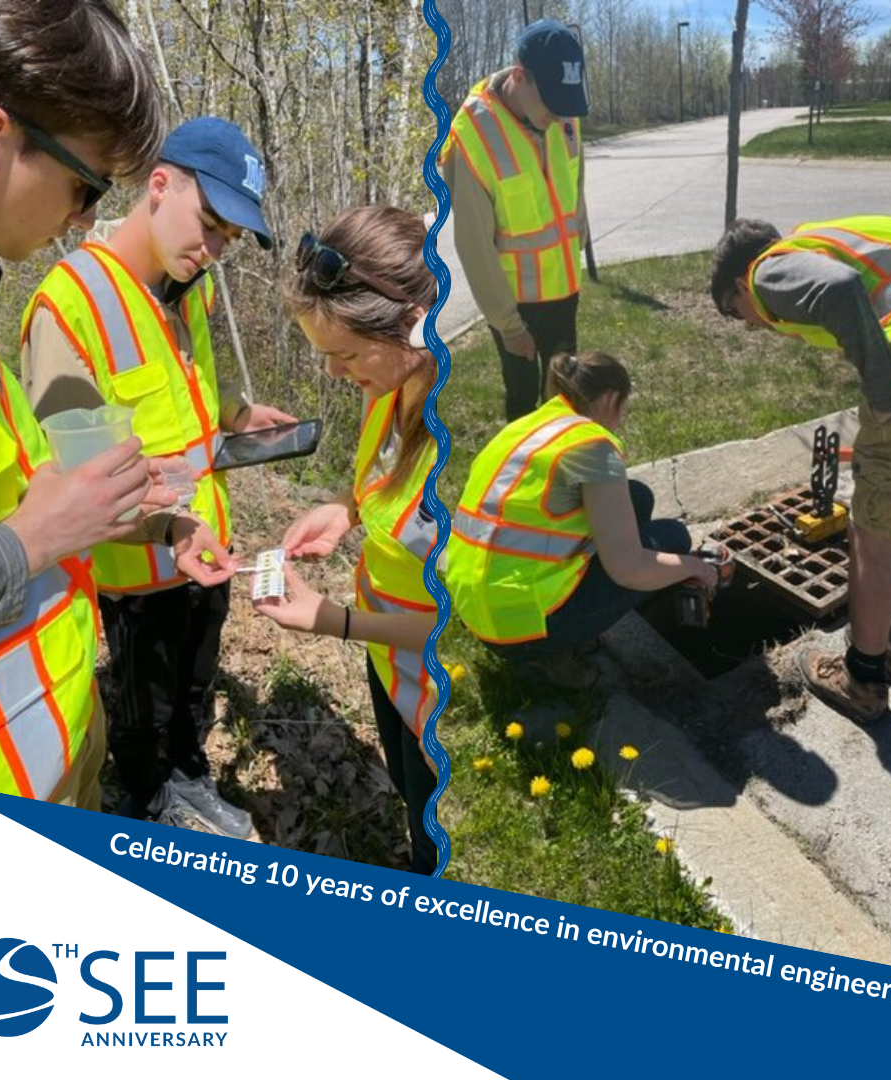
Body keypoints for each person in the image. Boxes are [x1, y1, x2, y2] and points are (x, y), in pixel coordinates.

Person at [0, 0, 166, 807]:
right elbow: (17, 538)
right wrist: (34, 537)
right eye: (85, 188)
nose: (82, 222)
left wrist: (90, 505)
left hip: (45, 753)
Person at [23, 117, 295, 837]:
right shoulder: (68, 306)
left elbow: (184, 388)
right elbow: (77, 476)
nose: (211, 249)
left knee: (195, 683)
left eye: (228, 240)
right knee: (145, 699)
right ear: (159, 184)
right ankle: (147, 802)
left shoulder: (188, 285)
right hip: (138, 561)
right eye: (208, 225)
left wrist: (235, 414)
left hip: (207, 540)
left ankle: (189, 776)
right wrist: (164, 524)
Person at [711, 215, 891, 723]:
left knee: (872, 533)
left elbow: (840, 288)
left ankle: (862, 678)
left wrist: (882, 399)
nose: (751, 323)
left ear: (741, 283)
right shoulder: (845, 237)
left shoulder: (769, 270)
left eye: (737, 312)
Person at [252, 207, 440, 875]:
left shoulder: (462, 443)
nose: (334, 374)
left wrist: (329, 619)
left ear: (415, 322)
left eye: (347, 355)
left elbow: (465, 628)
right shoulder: (390, 383)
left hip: (444, 694)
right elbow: (382, 479)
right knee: (410, 804)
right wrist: (343, 509)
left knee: (436, 848)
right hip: (391, 665)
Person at [446, 351, 719, 689]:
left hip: (475, 604)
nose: (621, 419)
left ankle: (564, 627)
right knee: (674, 537)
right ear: (610, 399)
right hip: (521, 628)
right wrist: (695, 568)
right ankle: (556, 651)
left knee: (637, 497)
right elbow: (628, 568)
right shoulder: (591, 446)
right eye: (623, 407)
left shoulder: (530, 427)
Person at [442, 18, 589, 423]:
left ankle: (562, 475)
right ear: (520, 76)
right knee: (524, 403)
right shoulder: (472, 136)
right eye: (550, 105)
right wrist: (509, 325)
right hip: (517, 306)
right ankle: (521, 477)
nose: (559, 117)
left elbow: (575, 185)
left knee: (567, 398)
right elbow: (473, 247)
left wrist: (581, 239)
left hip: (564, 291)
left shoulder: (565, 110)